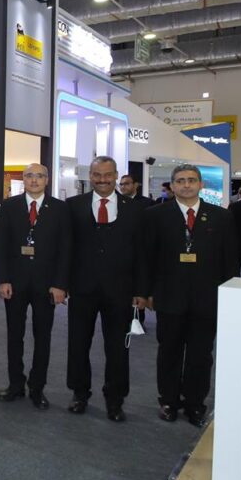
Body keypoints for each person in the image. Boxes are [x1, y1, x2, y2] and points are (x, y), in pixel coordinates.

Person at [142, 164, 239, 426]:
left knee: (201, 354)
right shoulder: (155, 215)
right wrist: (146, 292)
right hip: (168, 296)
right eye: (181, 180)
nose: (186, 185)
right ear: (172, 185)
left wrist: (227, 295)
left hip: (207, 298)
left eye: (192, 180)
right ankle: (168, 401)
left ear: (201, 185)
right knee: (169, 351)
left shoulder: (221, 217)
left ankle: (196, 403)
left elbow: (230, 259)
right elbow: (147, 257)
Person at [65, 157, 147, 422]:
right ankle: (79, 393)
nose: (102, 180)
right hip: (82, 289)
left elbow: (142, 253)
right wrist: (62, 284)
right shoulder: (73, 206)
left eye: (108, 175)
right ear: (90, 175)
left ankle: (115, 400)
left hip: (120, 290)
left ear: (116, 175)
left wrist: (141, 290)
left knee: (117, 349)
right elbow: (65, 249)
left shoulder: (135, 209)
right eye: (97, 175)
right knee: (78, 344)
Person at [0, 163, 71, 410]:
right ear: (24, 180)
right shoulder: (9, 206)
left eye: (39, 176)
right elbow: (2, 246)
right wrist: (3, 279)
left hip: (46, 285)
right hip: (14, 284)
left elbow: (65, 250)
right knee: (14, 336)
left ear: (47, 180)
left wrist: (60, 284)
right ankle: (15, 384)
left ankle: (37, 388)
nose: (34, 180)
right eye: (29, 176)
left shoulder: (60, 209)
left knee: (43, 337)